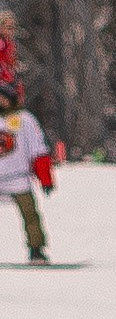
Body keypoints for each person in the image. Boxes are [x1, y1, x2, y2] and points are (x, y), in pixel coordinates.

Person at [0, 98, 54, 262]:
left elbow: (38, 150)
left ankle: (36, 249)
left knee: (30, 215)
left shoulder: (25, 120)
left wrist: (45, 178)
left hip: (19, 179)